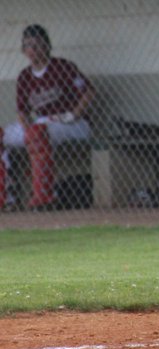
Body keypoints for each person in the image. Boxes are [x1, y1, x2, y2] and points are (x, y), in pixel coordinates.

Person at [0, 24, 95, 211]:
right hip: (42, 124)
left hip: (73, 123)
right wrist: (27, 130)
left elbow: (89, 92)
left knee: (38, 133)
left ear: (47, 46)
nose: (33, 49)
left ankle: (44, 197)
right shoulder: (25, 76)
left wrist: (73, 114)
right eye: (28, 45)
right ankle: (5, 197)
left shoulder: (63, 67)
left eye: (38, 44)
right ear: (23, 50)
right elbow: (22, 112)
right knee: (20, 133)